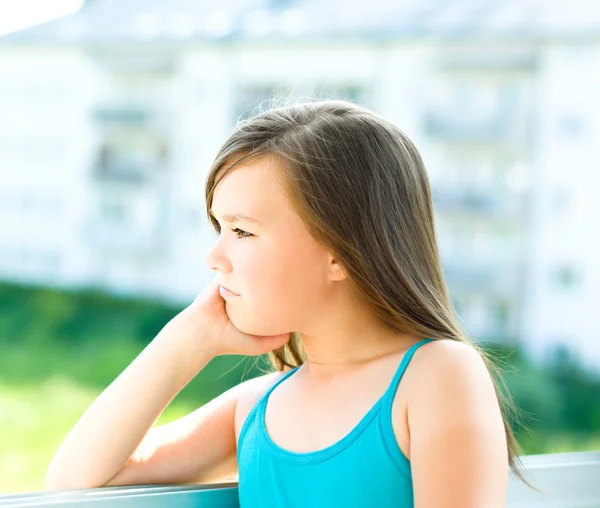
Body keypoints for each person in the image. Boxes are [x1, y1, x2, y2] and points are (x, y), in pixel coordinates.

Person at [45, 99, 536, 506]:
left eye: (242, 231)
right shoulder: (257, 407)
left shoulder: (437, 375)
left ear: (342, 252)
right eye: (218, 228)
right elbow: (73, 482)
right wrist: (185, 340)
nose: (214, 256)